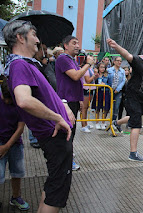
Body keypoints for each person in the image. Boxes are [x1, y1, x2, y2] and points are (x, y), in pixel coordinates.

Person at [3, 20, 75, 213]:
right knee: (57, 194)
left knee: (53, 186)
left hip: (56, 135)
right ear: (20, 37)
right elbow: (24, 100)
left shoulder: (27, 64)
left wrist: (64, 107)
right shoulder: (18, 65)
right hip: (54, 136)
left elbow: (47, 94)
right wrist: (57, 118)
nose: (37, 39)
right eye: (33, 34)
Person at [55, 35, 94, 171]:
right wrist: (88, 64)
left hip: (74, 101)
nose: (77, 46)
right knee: (67, 132)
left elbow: (77, 81)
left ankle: (68, 156)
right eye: (74, 43)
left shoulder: (72, 60)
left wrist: (80, 100)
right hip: (67, 102)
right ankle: (66, 161)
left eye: (78, 43)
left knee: (72, 132)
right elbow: (76, 76)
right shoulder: (63, 59)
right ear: (66, 45)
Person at [0, 79, 29, 211]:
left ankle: (16, 197)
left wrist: (7, 146)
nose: (7, 102)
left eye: (10, 99)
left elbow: (20, 128)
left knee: (17, 172)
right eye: (5, 99)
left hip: (15, 143)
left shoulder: (19, 102)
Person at [80, 61, 99, 133]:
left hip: (91, 89)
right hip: (86, 89)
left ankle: (85, 123)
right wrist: (94, 75)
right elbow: (88, 80)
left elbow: (93, 79)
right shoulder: (85, 70)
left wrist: (96, 75)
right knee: (84, 108)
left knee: (87, 107)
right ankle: (83, 125)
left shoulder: (90, 69)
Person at [92, 63, 110, 129]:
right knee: (97, 107)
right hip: (98, 92)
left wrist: (105, 84)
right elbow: (93, 82)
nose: (102, 68)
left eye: (104, 67)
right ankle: (97, 122)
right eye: (101, 67)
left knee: (105, 108)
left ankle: (103, 122)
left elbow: (110, 84)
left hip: (106, 92)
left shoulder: (107, 75)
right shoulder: (96, 75)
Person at [107, 56, 126, 121]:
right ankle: (104, 121)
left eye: (120, 61)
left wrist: (118, 89)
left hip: (118, 92)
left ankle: (113, 121)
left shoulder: (122, 71)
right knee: (107, 106)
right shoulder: (109, 70)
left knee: (116, 107)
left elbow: (123, 80)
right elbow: (106, 79)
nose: (119, 62)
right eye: (118, 60)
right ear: (114, 61)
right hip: (109, 90)